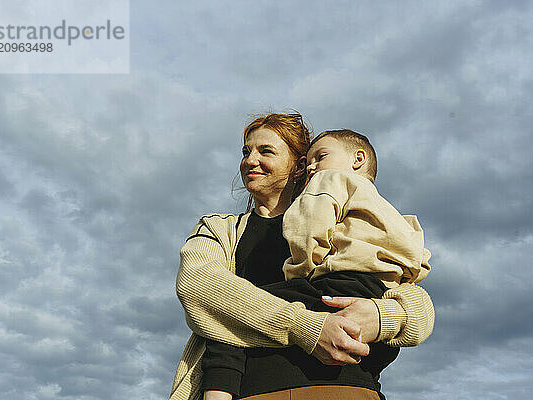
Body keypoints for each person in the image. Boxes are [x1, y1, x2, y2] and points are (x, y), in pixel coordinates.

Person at [170, 113, 434, 400]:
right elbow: (198, 286)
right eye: (246, 152)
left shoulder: (340, 221)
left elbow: (418, 305)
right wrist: (306, 327)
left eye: (265, 151)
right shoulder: (219, 229)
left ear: (299, 165)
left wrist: (384, 317)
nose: (249, 160)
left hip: (350, 389)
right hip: (255, 392)